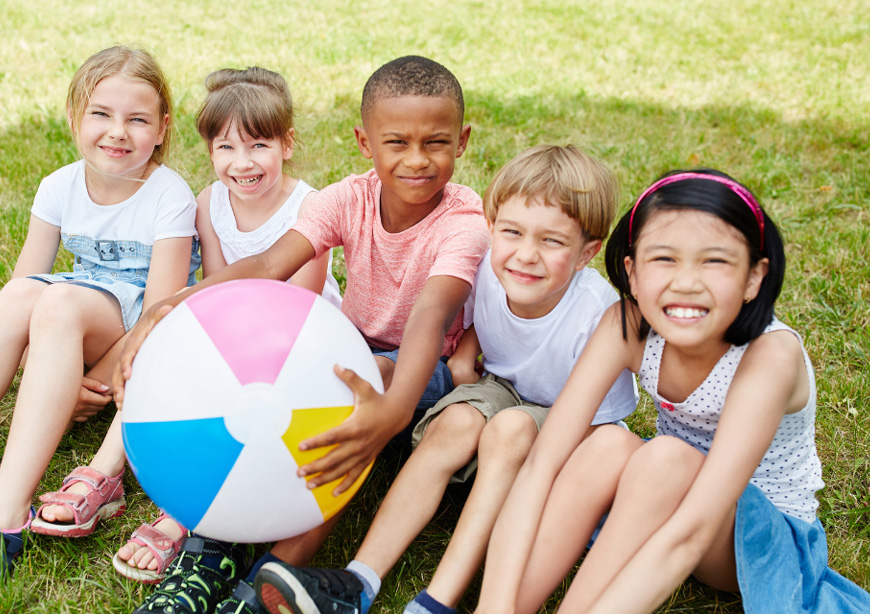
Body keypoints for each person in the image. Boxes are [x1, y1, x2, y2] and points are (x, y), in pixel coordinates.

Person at [117, 55, 490, 614]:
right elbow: (269, 266)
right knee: (259, 397)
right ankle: (207, 554)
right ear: (366, 143)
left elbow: (430, 316)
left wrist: (389, 411)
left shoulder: (465, 223)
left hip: (421, 368)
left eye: (435, 142)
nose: (417, 160)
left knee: (346, 407)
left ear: (461, 141)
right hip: (350, 346)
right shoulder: (346, 198)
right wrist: (168, 306)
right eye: (397, 143)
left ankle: (267, 582)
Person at [252, 145, 639, 614]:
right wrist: (469, 352)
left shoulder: (595, 314)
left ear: (587, 253)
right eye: (512, 232)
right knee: (455, 421)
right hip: (503, 389)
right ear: (491, 228)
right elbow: (476, 320)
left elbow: (603, 426)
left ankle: (436, 602)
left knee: (508, 429)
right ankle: (358, 583)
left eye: (552, 241)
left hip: (573, 426)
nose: (526, 256)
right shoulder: (487, 272)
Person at [472, 170, 870, 614]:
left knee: (663, 458)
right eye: (664, 259)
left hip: (759, 535)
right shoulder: (626, 324)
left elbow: (693, 532)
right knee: (608, 442)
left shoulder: (770, 357)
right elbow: (540, 465)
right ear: (631, 272)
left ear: (753, 277)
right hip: (664, 489)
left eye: (715, 261)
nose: (686, 282)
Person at [30, 65, 341, 585]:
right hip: (234, 331)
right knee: (166, 346)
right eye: (225, 148)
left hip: (295, 350)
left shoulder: (311, 208)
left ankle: (182, 512)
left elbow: (299, 306)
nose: (242, 164)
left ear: (288, 145)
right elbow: (216, 290)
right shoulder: (208, 204)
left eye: (258, 146)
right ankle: (107, 470)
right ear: (208, 150)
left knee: (224, 394)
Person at [0, 45, 198, 612]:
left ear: (162, 129)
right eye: (101, 114)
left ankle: (0, 520)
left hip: (127, 329)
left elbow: (161, 314)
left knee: (57, 302)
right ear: (75, 117)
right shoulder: (58, 186)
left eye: (138, 119)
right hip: (63, 312)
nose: (117, 132)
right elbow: (21, 290)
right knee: (28, 293)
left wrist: (89, 382)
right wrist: (48, 373)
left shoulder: (169, 196)